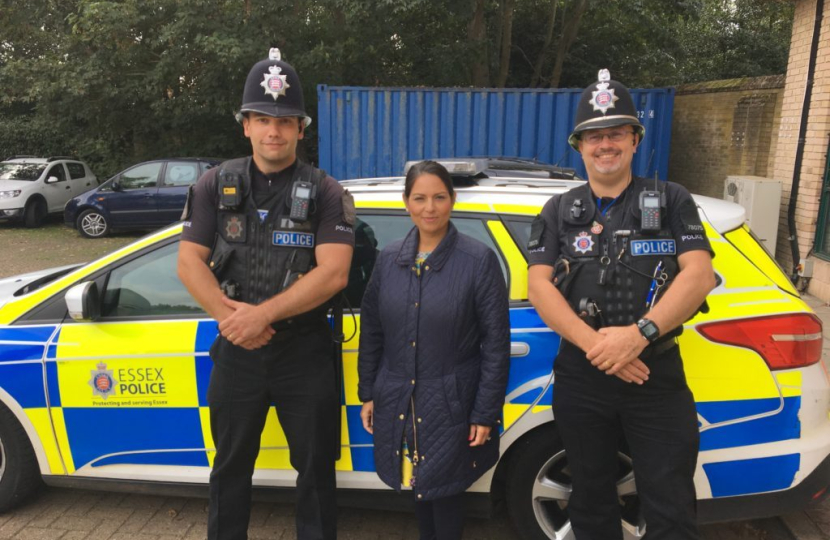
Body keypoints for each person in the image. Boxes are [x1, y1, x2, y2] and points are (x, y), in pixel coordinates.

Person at [526, 69, 716, 540]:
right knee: (589, 497)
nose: (604, 145)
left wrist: (638, 336)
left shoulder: (672, 200)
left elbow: (699, 275)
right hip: (583, 375)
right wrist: (601, 348)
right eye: (594, 136)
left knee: (670, 502)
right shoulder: (557, 210)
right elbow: (539, 287)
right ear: (579, 146)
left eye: (615, 134)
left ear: (634, 139)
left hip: (655, 375)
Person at [177, 48, 355, 540]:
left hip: (305, 352)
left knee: (316, 473)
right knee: (229, 470)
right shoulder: (215, 185)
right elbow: (188, 261)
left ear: (302, 128)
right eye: (262, 119)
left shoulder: (327, 192)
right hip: (237, 352)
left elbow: (334, 273)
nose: (273, 130)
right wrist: (232, 319)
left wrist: (263, 316)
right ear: (246, 126)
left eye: (284, 120)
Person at [357, 160, 510, 540]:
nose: (430, 208)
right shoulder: (389, 260)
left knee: (445, 495)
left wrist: (485, 412)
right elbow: (372, 331)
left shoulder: (477, 261)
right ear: (406, 202)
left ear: (452, 200)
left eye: (439, 197)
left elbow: (495, 344)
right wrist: (368, 392)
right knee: (421, 489)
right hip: (398, 398)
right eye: (420, 198)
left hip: (451, 402)